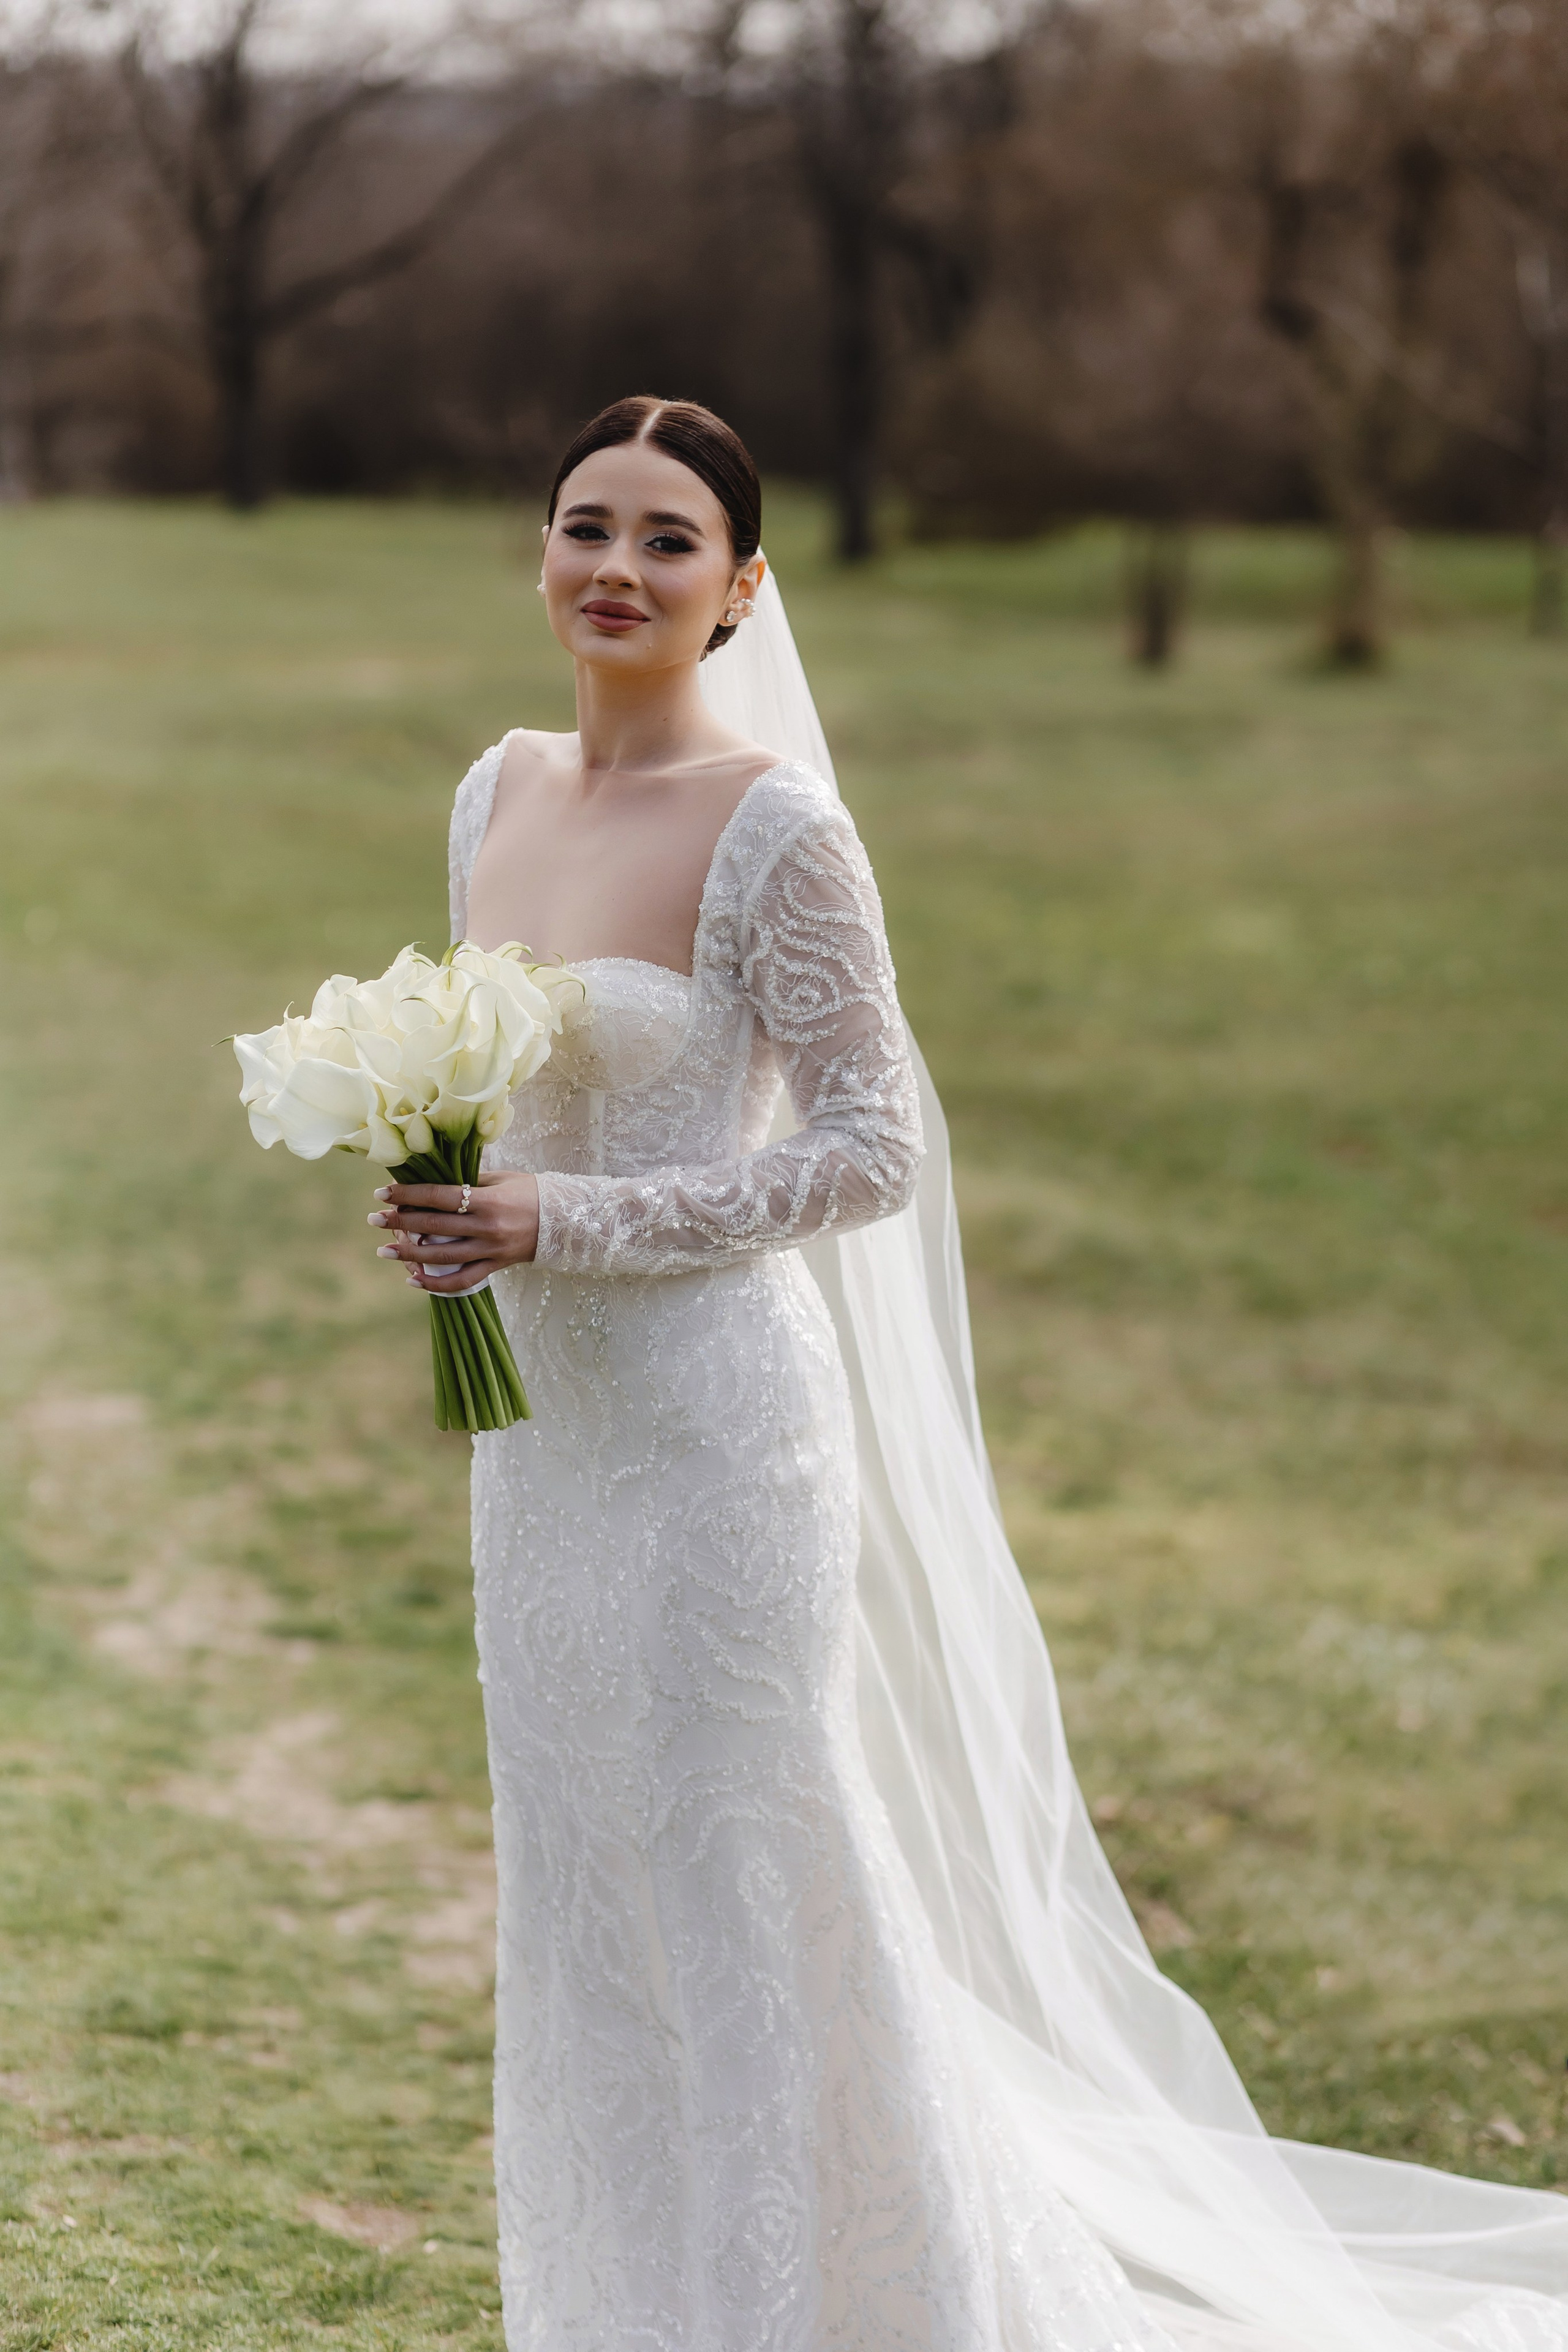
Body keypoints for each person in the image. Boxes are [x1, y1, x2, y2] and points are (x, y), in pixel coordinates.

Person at [367, 396, 1567, 2352]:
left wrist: (559, 1231)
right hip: (547, 1450)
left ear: (742, 587)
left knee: (748, 1878)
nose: (617, 566)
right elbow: (499, 1101)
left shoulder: (781, 829)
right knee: (584, 1880)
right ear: (540, 553)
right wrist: (447, 1200)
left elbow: (868, 1150)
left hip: (718, 1438)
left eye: (672, 540)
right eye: (588, 524)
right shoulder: (490, 794)